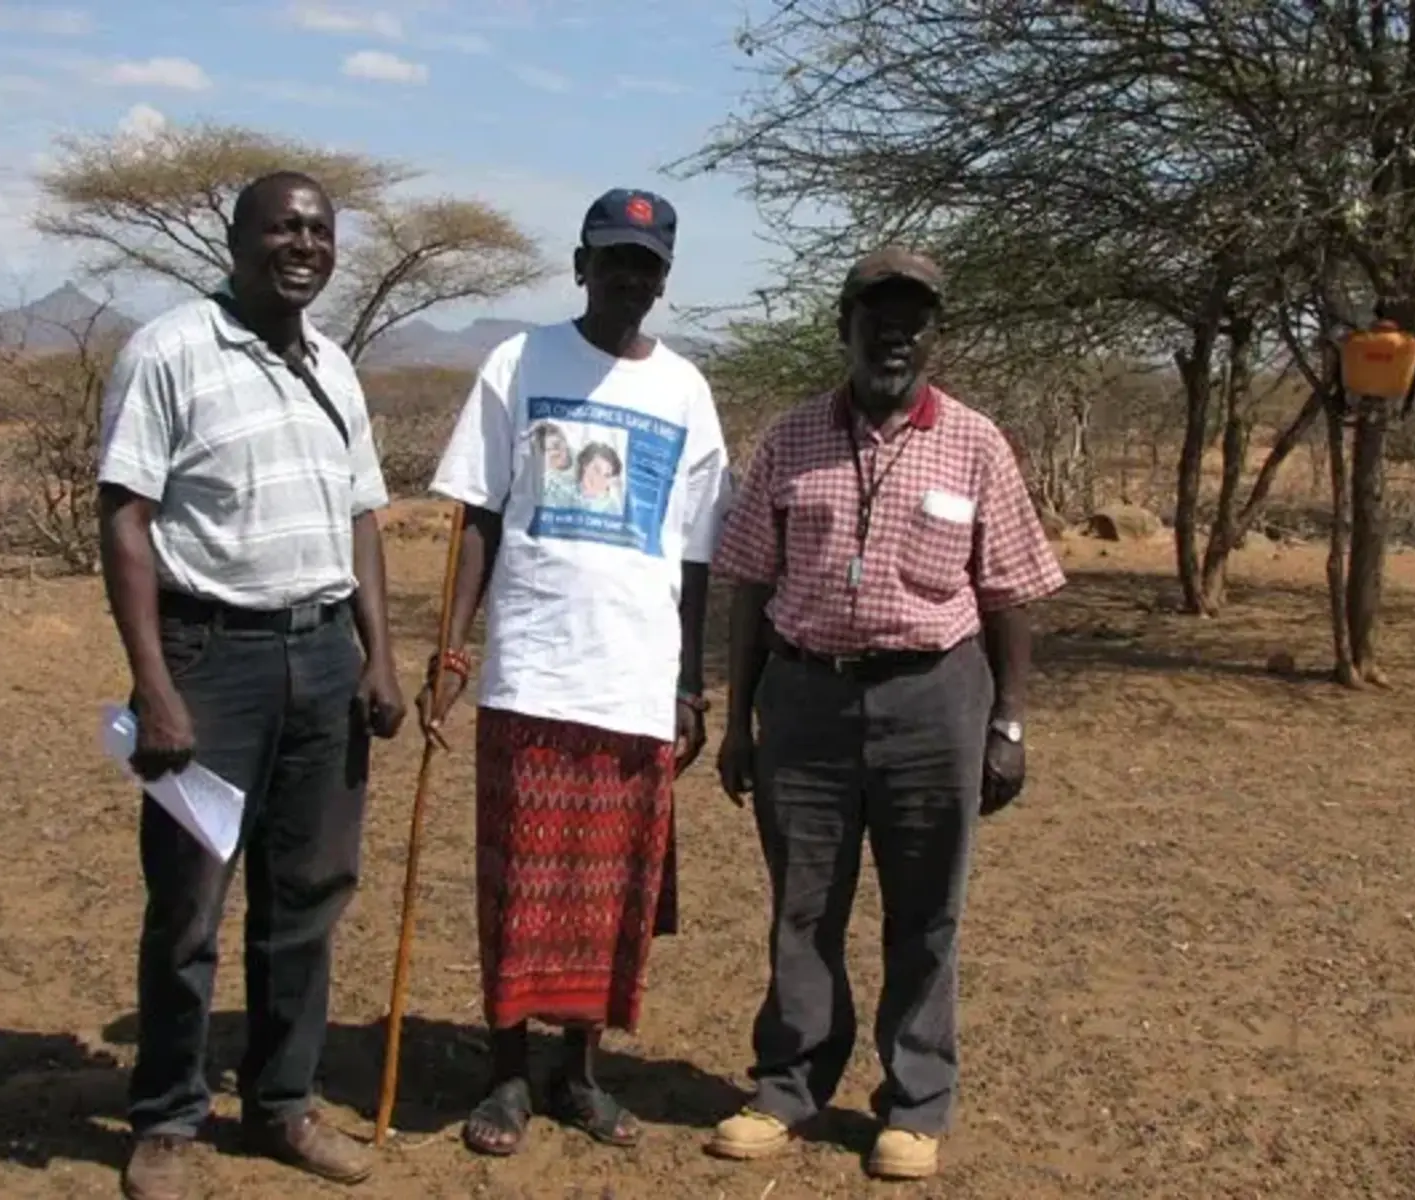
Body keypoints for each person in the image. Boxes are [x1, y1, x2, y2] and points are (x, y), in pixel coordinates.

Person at [704, 248, 1065, 1180]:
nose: (894, 334)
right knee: (803, 908)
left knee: (926, 912)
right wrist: (739, 718)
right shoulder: (788, 439)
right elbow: (748, 585)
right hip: (805, 697)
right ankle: (787, 1084)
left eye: (913, 319)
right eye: (877, 315)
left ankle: (915, 1102)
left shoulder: (978, 443)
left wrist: (1009, 724)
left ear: (934, 334)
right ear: (844, 327)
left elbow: (1008, 594)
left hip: (933, 699)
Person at [96, 171, 406, 1200]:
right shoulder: (172, 349)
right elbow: (126, 517)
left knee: (307, 898)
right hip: (209, 660)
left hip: (323, 659)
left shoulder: (332, 364)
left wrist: (380, 655)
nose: (303, 244)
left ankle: (282, 1105)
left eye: (318, 230)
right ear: (238, 239)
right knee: (190, 902)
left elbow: (360, 517)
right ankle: (169, 1120)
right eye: (282, 226)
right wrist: (155, 686)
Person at [418, 187, 732, 1158]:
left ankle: (581, 1073)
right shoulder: (519, 362)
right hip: (530, 672)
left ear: (663, 279)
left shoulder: (685, 389)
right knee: (517, 885)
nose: (628, 277)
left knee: (610, 894)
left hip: (633, 680)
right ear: (579, 264)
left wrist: (688, 685)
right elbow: (475, 512)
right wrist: (452, 647)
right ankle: (507, 1073)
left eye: (646, 263)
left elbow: (694, 557)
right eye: (613, 258)